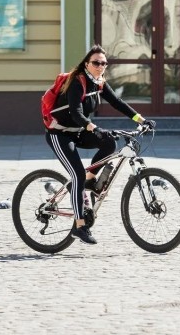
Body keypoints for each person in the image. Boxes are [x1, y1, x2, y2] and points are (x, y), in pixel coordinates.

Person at [45, 44, 155, 244]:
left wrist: (141, 120)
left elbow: (117, 102)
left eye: (104, 63)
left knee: (109, 143)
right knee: (76, 173)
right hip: (59, 134)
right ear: (87, 64)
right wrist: (93, 127)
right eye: (96, 62)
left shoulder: (99, 82)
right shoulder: (77, 82)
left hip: (78, 132)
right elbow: (76, 113)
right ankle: (79, 226)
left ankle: (88, 181)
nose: (100, 66)